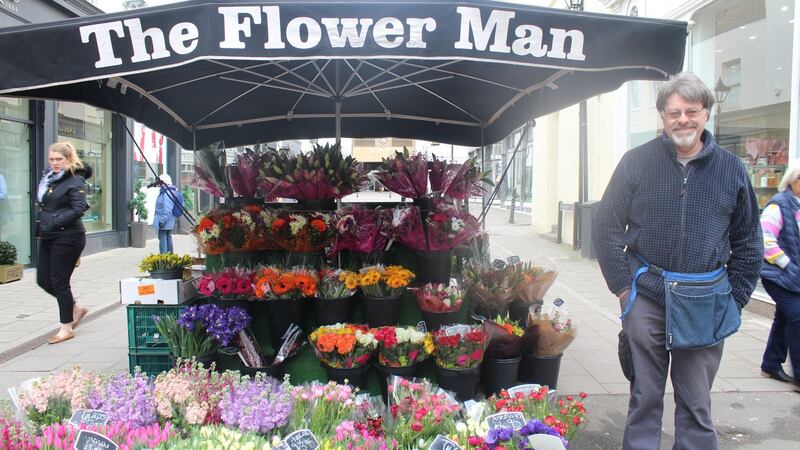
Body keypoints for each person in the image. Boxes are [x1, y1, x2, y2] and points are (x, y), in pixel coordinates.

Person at [593, 72, 763, 450]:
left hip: (706, 300)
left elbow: (749, 240)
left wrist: (733, 300)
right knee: (645, 397)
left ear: (706, 114)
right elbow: (605, 226)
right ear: (662, 116)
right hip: (647, 295)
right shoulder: (636, 162)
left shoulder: (732, 169)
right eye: (673, 112)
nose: (682, 120)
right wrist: (624, 290)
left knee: (696, 403)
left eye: (691, 111)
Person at [35, 142, 92, 345]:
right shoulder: (49, 179)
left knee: (59, 281)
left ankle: (66, 327)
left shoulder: (75, 180)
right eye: (52, 159)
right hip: (48, 235)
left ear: (68, 159)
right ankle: (75, 308)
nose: (55, 163)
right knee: (42, 279)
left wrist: (55, 221)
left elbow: (79, 208)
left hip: (69, 237)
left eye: (59, 159)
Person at [759, 161, 800, 384]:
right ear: (792, 180)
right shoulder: (778, 206)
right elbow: (765, 241)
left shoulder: (797, 205)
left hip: (793, 276)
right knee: (797, 317)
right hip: (777, 275)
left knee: (785, 318)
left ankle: (771, 364)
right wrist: (788, 265)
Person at [154, 173, 178, 254]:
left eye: (159, 183)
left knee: (162, 237)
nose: (158, 185)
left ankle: (164, 256)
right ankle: (169, 256)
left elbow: (167, 208)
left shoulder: (167, 193)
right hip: (169, 219)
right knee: (168, 236)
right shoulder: (168, 191)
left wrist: (162, 220)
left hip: (165, 220)